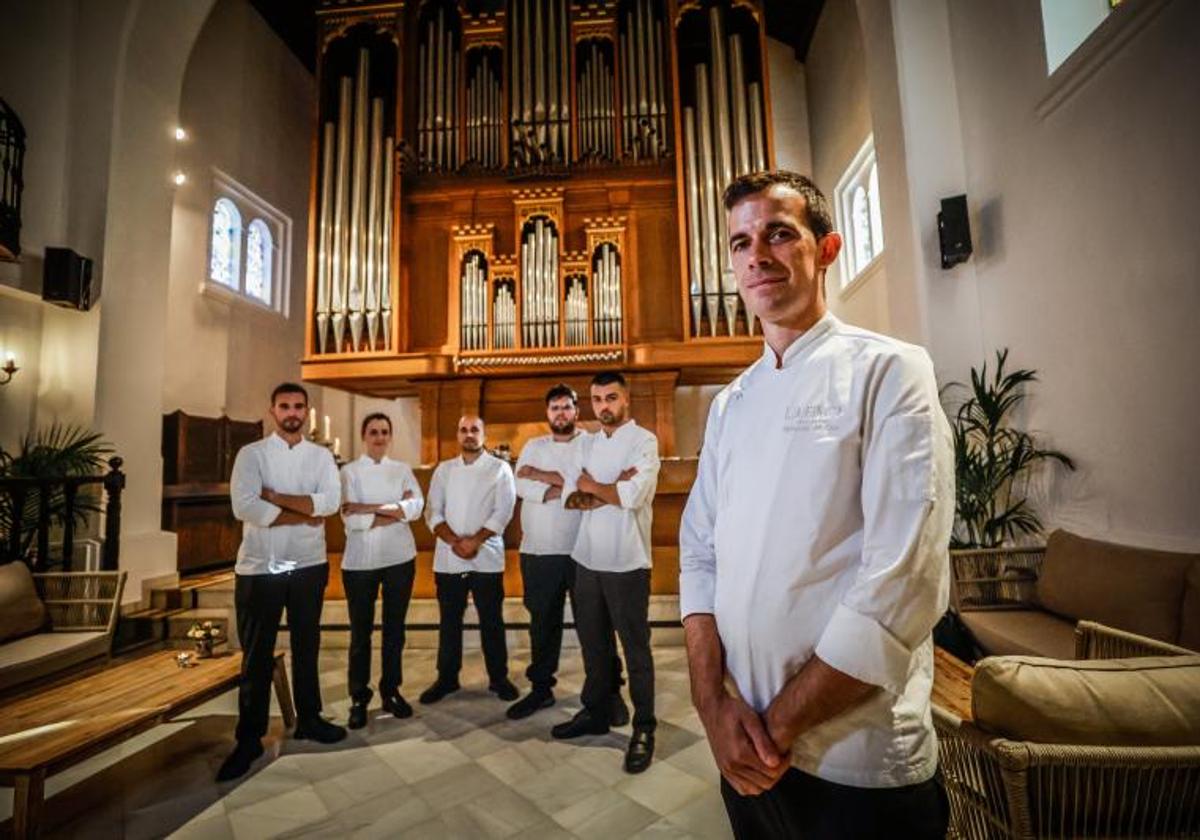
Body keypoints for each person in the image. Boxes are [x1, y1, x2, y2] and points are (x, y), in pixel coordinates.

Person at [679, 170, 954, 839]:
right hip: (744, 749)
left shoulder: (888, 371)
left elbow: (902, 584)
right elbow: (699, 553)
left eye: (779, 233)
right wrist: (713, 707)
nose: (757, 256)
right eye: (741, 242)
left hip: (855, 765)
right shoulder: (731, 405)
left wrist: (774, 730)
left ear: (826, 249)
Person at [218, 382, 346, 782]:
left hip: (308, 563)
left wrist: (276, 498)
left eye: (298, 406)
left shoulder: (321, 457)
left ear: (307, 412)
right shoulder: (251, 454)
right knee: (257, 656)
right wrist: (301, 510)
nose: (292, 412)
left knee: (308, 646)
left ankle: (309, 718)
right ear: (273, 411)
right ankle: (249, 739)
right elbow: (245, 506)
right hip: (260, 567)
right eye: (285, 406)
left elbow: (329, 505)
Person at [551, 371, 660, 775]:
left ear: (625, 399)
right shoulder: (586, 443)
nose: (603, 406)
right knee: (593, 646)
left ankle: (644, 727)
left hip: (628, 561)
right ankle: (597, 711)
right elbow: (571, 497)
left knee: (636, 650)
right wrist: (608, 487)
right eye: (597, 399)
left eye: (610, 397)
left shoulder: (644, 441)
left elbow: (633, 498)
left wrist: (593, 486)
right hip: (587, 559)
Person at [507, 384, 628, 724]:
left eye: (566, 407)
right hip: (540, 552)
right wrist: (566, 486)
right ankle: (541, 688)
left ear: (577, 411)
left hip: (584, 550)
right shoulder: (534, 445)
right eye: (554, 408)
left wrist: (547, 482)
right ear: (547, 414)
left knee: (596, 625)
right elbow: (520, 485)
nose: (560, 413)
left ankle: (610, 691)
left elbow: (594, 483)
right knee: (543, 624)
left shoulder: (591, 443)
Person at [420, 414, 519, 704]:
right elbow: (432, 511)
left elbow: (504, 511)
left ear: (484, 435)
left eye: (474, 430)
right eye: (463, 430)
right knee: (449, 621)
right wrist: (454, 541)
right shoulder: (444, 470)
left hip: (486, 556)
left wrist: (475, 540)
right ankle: (447, 678)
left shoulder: (499, 469)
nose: (469, 434)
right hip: (449, 558)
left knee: (491, 620)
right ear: (457, 435)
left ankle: (499, 678)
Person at [339, 412, 424, 728]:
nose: (379, 437)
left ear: (390, 436)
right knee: (360, 634)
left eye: (384, 432)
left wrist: (369, 508)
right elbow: (350, 518)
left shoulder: (401, 470)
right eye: (373, 431)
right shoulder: (348, 472)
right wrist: (393, 510)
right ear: (364, 435)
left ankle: (391, 691)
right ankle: (358, 698)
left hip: (399, 558)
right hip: (360, 562)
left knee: (394, 631)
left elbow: (415, 509)